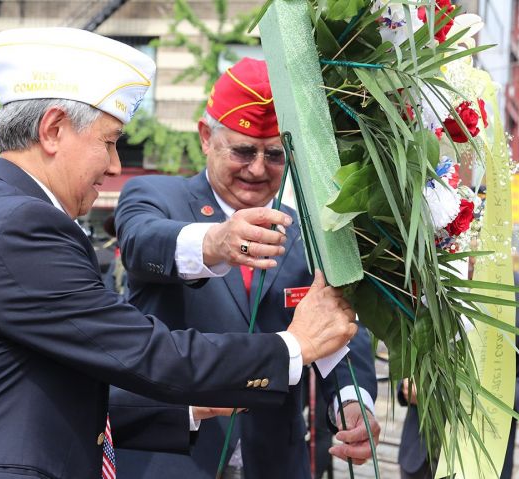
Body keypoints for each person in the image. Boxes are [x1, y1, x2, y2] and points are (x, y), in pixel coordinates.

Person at [0, 27, 363, 479]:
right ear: (53, 129)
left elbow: (52, 392)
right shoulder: (23, 225)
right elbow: (144, 351)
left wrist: (195, 404)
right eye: (110, 142)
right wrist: (293, 347)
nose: (116, 165)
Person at [113, 57, 380, 479]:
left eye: (274, 155)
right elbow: (141, 241)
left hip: (274, 461)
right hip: (171, 457)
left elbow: (340, 332)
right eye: (242, 150)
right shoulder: (155, 195)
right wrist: (215, 242)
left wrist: (352, 404)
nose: (257, 169)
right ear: (206, 137)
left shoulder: (307, 234)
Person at [398, 272, 519, 479]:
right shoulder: (430, 275)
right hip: (420, 454)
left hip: (481, 458)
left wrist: (492, 400)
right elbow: (410, 341)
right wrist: (407, 382)